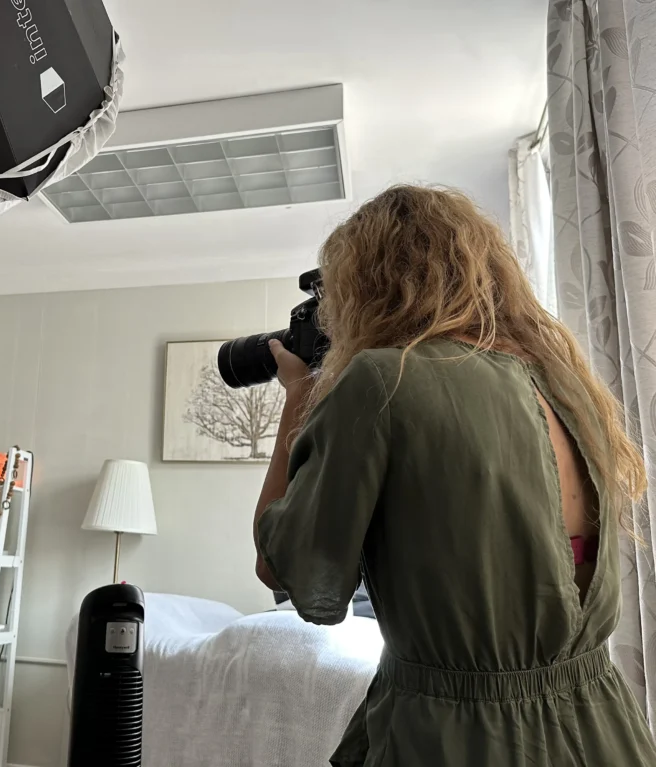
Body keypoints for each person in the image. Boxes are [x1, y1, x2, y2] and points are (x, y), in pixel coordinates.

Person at [253, 185, 656, 766]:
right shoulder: (566, 387)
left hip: (457, 738)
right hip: (600, 727)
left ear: (367, 285)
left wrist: (298, 395)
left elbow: (296, 577)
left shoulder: (384, 381)